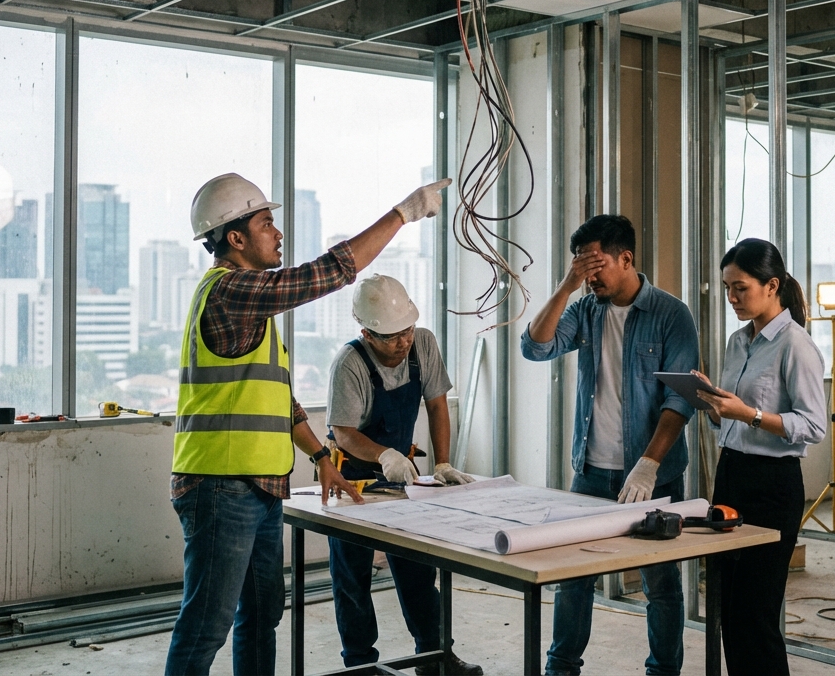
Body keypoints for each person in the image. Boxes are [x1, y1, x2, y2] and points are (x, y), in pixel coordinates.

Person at [165, 173, 451, 676]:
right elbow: (327, 273)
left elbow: (281, 401)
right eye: (266, 223)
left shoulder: (252, 313)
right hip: (219, 487)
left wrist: (320, 457)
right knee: (206, 626)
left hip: (259, 489)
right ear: (235, 238)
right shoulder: (231, 292)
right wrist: (403, 213)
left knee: (260, 617)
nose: (277, 233)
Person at [519, 214, 700, 676]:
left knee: (659, 581)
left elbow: (680, 399)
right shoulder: (585, 309)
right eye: (582, 266)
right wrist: (566, 285)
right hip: (591, 470)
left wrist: (649, 464)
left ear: (626, 258)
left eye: (596, 265)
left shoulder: (671, 315)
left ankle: (663, 671)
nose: (590, 276)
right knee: (574, 578)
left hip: (652, 473)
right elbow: (535, 348)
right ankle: (561, 669)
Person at [323, 274, 483, 675]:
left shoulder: (423, 344)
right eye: (392, 336)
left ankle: (435, 659)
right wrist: (383, 454)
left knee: (417, 569)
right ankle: (360, 666)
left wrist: (442, 463)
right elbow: (343, 432)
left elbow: (436, 405)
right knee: (352, 578)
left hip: (402, 480)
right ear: (367, 332)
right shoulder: (350, 363)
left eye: (407, 329)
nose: (403, 341)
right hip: (353, 481)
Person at [691, 238, 826, 676]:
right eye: (727, 287)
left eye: (740, 288)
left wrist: (747, 413)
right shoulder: (737, 341)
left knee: (756, 615)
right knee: (729, 610)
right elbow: (732, 420)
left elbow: (813, 426)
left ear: (772, 286)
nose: (731, 298)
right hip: (730, 475)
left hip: (771, 486)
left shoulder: (795, 345)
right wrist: (715, 406)